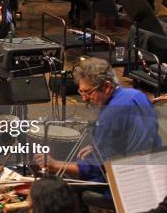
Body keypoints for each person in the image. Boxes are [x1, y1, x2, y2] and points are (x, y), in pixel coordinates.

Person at [34, 57, 162, 183]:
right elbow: (136, 137)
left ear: (106, 86)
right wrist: (98, 146)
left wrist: (56, 164)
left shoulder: (110, 114)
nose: (84, 98)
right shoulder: (137, 95)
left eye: (88, 92)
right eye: (81, 92)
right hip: (156, 170)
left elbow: (95, 169)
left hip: (127, 181)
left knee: (58, 180)